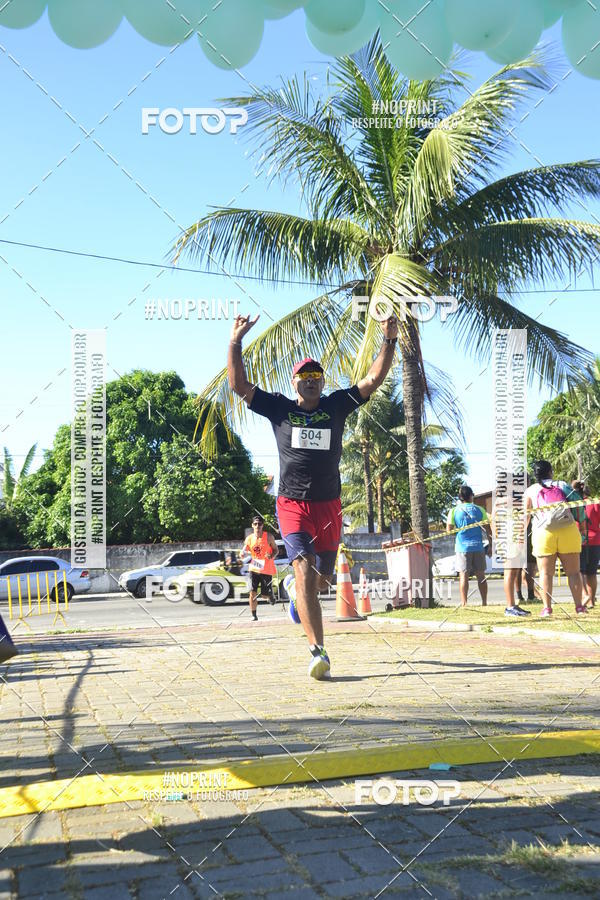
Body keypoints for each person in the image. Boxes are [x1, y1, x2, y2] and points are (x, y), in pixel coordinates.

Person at [228, 311, 397, 679]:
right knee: (304, 569)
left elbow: (372, 379)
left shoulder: (336, 405)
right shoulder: (280, 409)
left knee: (320, 580)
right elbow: (240, 386)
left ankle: (293, 589)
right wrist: (236, 342)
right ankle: (317, 650)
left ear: (322, 382)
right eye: (304, 376)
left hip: (329, 505)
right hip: (292, 504)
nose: (310, 381)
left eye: (316, 376)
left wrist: (389, 339)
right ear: (294, 382)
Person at [525, 461, 585, 617]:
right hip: (568, 531)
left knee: (545, 573)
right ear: (551, 472)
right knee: (573, 573)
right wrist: (582, 527)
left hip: (543, 533)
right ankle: (579, 607)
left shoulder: (531, 490)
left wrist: (520, 536)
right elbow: (578, 505)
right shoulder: (562, 485)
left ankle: (547, 608)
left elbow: (525, 516)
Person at [446, 486, 492, 607]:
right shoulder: (479, 509)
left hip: (462, 547)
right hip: (478, 546)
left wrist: (459, 531)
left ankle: (464, 603)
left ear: (460, 498)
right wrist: (491, 546)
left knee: (463, 576)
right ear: (471, 496)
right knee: (481, 576)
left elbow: (448, 530)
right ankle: (484, 602)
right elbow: (488, 529)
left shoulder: (454, 511)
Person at [241, 515, 278, 621]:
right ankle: (254, 615)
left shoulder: (269, 537)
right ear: (252, 525)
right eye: (255, 524)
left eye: (260, 524)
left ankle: (270, 596)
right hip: (254, 568)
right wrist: (242, 553)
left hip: (266, 569)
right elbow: (244, 549)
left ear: (262, 525)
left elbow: (276, 550)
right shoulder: (249, 538)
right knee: (252, 592)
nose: (257, 526)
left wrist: (271, 556)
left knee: (264, 595)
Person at [580, 484, 600, 608]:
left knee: (579, 571)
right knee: (592, 572)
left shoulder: (576, 504)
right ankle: (592, 600)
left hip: (579, 540)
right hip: (595, 540)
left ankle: (584, 595)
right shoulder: (596, 503)